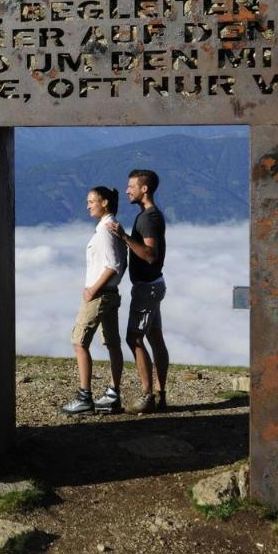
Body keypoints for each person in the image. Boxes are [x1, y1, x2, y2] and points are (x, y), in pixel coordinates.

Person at [107, 169, 169, 414]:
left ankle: (147, 396)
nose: (127, 190)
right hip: (155, 285)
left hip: (147, 288)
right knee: (155, 337)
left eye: (131, 186)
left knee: (134, 338)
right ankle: (160, 394)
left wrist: (123, 237)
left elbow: (150, 255)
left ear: (144, 189)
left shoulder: (148, 219)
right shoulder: (150, 215)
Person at [61, 186, 127, 415]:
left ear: (105, 203)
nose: (88, 205)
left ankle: (84, 397)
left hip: (99, 295)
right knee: (112, 343)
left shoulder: (105, 231)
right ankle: (112, 394)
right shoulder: (112, 228)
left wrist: (92, 291)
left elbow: (113, 266)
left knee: (79, 342)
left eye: (91, 201)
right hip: (111, 294)